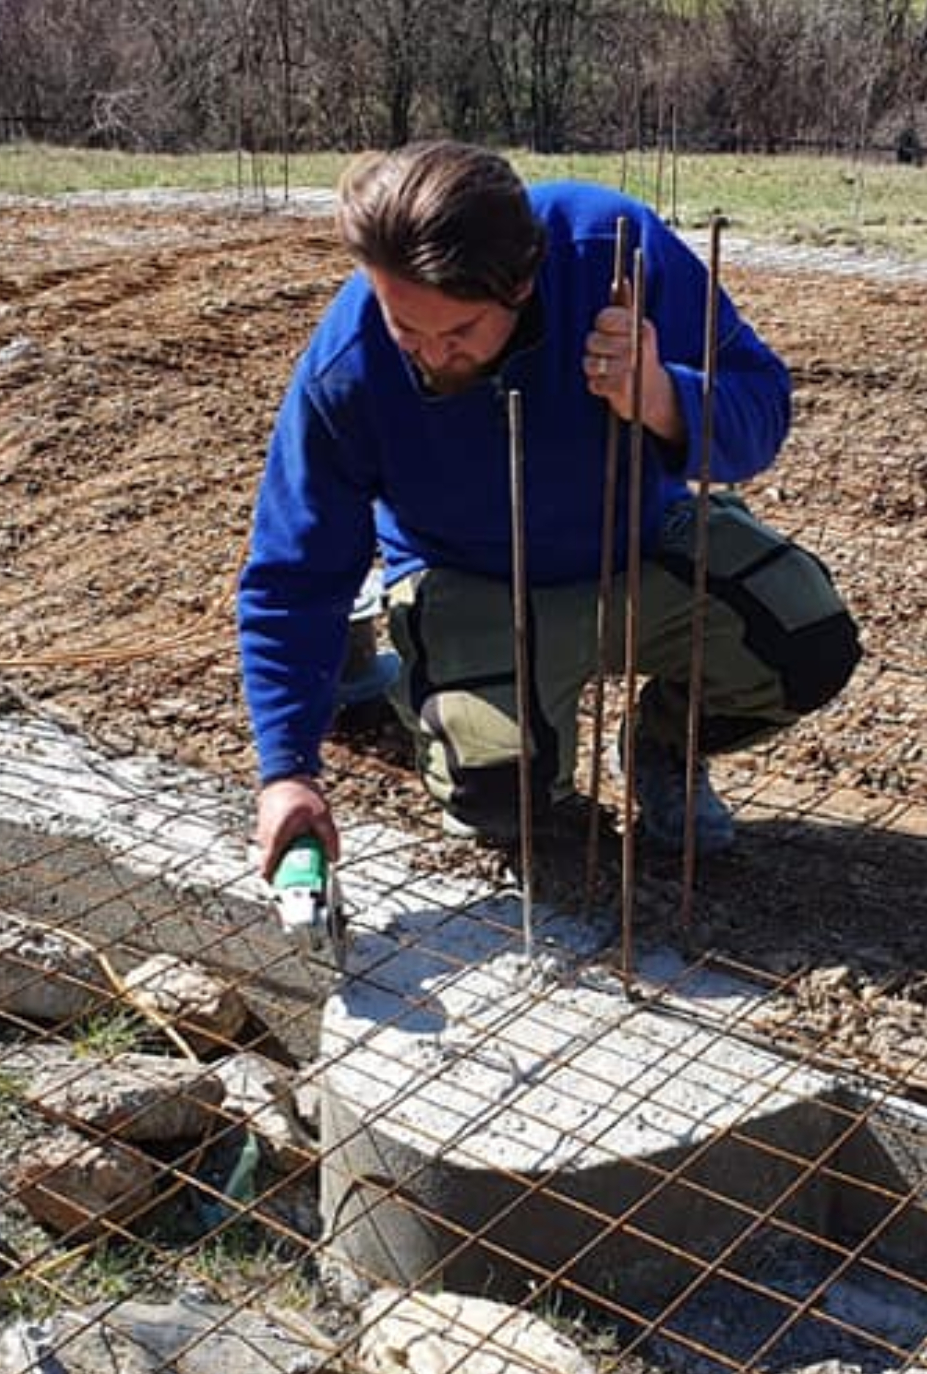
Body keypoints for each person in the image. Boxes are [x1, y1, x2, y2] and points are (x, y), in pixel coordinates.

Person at [238, 141, 861, 887]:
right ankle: (492, 726)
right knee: (500, 797)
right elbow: (294, 572)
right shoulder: (347, 366)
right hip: (469, 577)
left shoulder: (613, 249)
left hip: (635, 544)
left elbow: (764, 408)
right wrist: (287, 771)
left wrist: (662, 394)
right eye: (407, 327)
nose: (431, 356)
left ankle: (662, 745)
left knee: (807, 644)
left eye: (460, 332)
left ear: (525, 283)